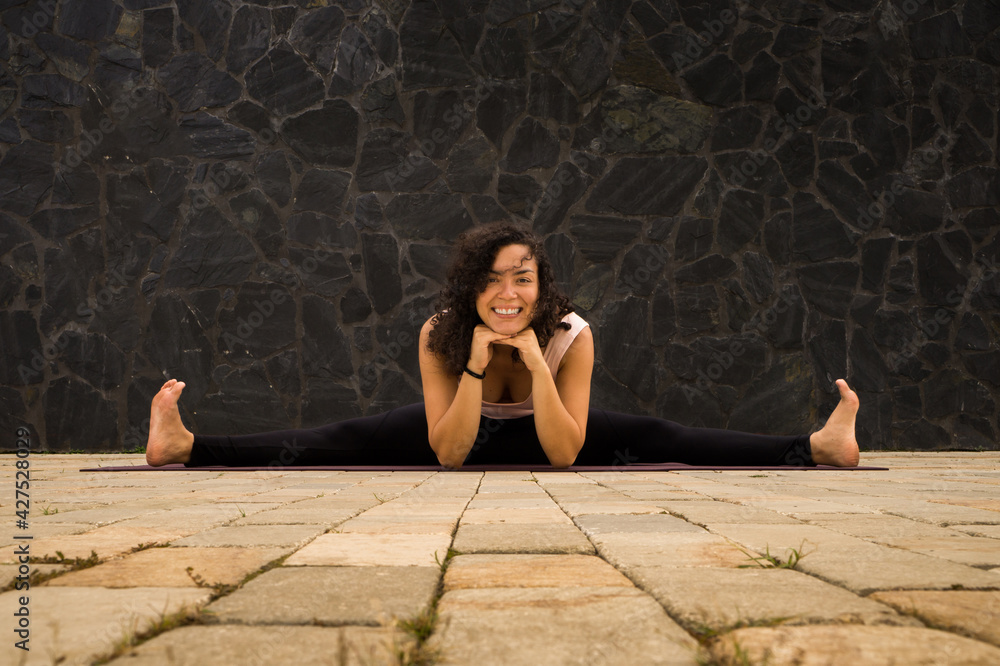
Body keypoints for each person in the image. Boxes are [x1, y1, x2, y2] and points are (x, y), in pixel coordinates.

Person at [145, 222, 860, 469]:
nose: (507, 294)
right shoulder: (442, 333)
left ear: (540, 285)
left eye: (521, 279)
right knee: (339, 436)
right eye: (492, 282)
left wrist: (533, 369)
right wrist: (479, 366)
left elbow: (562, 453)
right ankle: (185, 448)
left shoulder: (572, 334)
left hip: (551, 432)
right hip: (462, 432)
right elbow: (450, 453)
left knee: (665, 434)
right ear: (472, 287)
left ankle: (820, 447)